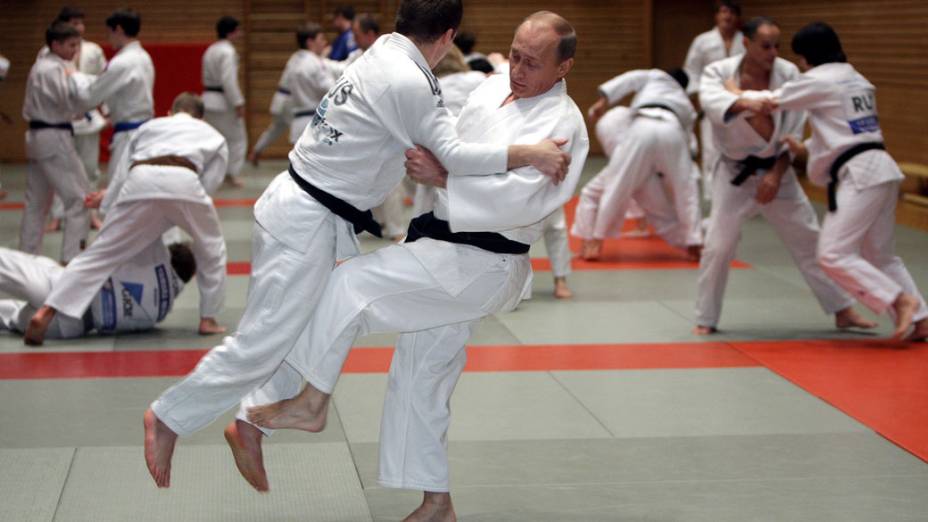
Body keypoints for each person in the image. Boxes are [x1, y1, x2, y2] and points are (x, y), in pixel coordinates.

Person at [142, 0, 571, 493]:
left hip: (322, 217)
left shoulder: (380, 53)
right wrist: (529, 152)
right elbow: (450, 155)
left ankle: (255, 423)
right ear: (448, 36)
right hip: (304, 219)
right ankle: (168, 417)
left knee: (323, 323)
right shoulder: (411, 80)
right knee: (262, 343)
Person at [244, 12, 586, 521]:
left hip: (480, 260)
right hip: (441, 246)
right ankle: (436, 505)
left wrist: (446, 178)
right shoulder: (491, 88)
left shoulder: (564, 126)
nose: (517, 68)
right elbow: (436, 125)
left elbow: (525, 202)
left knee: (349, 286)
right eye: (514, 54)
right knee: (423, 373)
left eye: (532, 63)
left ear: (564, 68)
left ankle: (310, 400)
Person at [725, 22, 928, 341]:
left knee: (832, 254)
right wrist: (803, 148)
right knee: (881, 255)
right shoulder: (856, 78)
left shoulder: (820, 78)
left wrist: (736, 94)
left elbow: (772, 101)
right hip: (882, 170)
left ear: (807, 57)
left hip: (861, 175)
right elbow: (843, 131)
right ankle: (921, 319)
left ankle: (899, 300)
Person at [694, 17, 873, 335]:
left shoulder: (789, 73)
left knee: (809, 239)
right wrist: (745, 101)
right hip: (733, 173)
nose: (773, 52)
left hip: (778, 168)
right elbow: (715, 108)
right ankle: (706, 317)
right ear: (746, 44)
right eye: (766, 45)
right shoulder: (718, 73)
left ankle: (843, 309)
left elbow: (791, 132)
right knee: (718, 245)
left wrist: (776, 175)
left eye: (777, 45)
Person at [23, 93, 229, 346]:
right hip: (185, 180)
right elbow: (211, 182)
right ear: (201, 117)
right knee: (212, 248)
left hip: (140, 179)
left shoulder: (149, 126)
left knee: (101, 252)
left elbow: (122, 171)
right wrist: (185, 211)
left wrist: (108, 204)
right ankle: (208, 319)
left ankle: (48, 310)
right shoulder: (213, 135)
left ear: (170, 112)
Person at [577, 68, 702, 262]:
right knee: (686, 188)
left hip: (642, 126)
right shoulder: (686, 104)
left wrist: (604, 100)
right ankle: (694, 242)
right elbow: (687, 143)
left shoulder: (655, 75)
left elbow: (629, 79)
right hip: (672, 129)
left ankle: (596, 241)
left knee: (618, 183)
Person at [0, 243, 195, 339]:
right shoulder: (159, 313)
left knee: (9, 262)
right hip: (66, 329)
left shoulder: (149, 265)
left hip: (59, 291)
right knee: (11, 315)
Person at [20, 21, 91, 264]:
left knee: (35, 202)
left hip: (39, 137)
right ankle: (73, 259)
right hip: (54, 136)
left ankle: (27, 259)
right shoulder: (52, 69)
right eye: (71, 45)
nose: (75, 51)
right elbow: (69, 103)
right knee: (79, 199)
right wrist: (82, 94)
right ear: (56, 44)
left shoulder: (42, 65)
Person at [69, 8, 154, 212]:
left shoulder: (122, 62)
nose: (109, 38)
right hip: (142, 132)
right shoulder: (143, 57)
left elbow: (91, 95)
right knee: (136, 194)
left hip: (129, 137)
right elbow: (107, 87)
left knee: (119, 196)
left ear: (118, 29)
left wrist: (74, 75)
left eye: (109, 32)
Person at [39, 6, 107, 231]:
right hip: (61, 121)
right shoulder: (46, 54)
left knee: (90, 170)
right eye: (74, 23)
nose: (79, 27)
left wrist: (106, 109)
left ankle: (92, 214)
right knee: (62, 171)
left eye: (80, 23)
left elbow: (103, 80)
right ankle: (57, 215)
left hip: (88, 119)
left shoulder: (94, 50)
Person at [683, 0, 745, 201]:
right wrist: (697, 96)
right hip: (710, 99)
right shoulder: (703, 41)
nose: (727, 16)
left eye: (732, 12)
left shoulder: (745, 40)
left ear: (738, 17)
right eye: (723, 11)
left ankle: (737, 192)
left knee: (740, 147)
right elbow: (691, 71)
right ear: (716, 16)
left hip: (739, 100)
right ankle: (712, 195)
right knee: (710, 149)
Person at [202, 16, 247, 187]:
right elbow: (228, 80)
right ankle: (231, 174)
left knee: (213, 139)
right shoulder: (228, 51)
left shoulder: (211, 49)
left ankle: (209, 173)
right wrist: (238, 102)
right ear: (232, 32)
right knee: (237, 138)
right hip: (223, 101)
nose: (240, 34)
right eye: (238, 30)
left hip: (208, 99)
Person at [287, 23, 334, 144]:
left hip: (297, 123)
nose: (324, 43)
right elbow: (331, 89)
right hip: (314, 123)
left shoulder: (293, 60)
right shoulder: (315, 62)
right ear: (310, 42)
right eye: (321, 39)